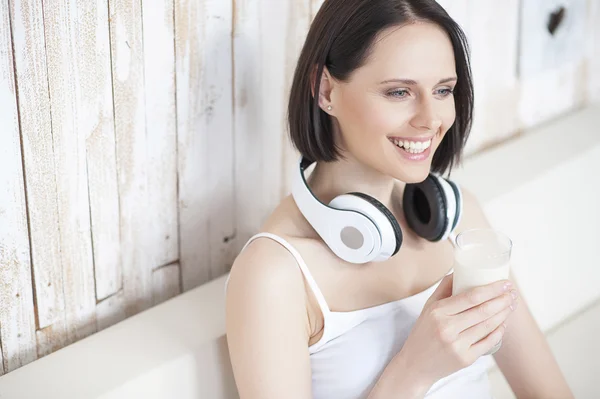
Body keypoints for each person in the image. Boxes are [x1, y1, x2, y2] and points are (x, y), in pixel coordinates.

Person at [225, 0, 574, 398]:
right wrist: (415, 369)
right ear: (325, 90)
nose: (430, 118)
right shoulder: (274, 274)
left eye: (443, 90)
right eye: (399, 92)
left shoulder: (460, 222)